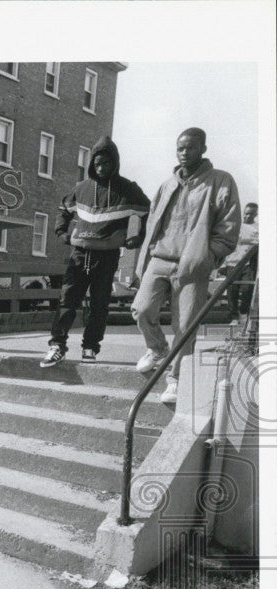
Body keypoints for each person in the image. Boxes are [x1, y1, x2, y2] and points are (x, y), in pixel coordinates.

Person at [131, 128, 241, 405]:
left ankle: (176, 378)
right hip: (160, 259)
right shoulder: (167, 184)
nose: (183, 153)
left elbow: (228, 227)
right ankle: (157, 349)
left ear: (203, 149)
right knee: (142, 309)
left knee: (186, 325)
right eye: (180, 148)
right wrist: (144, 259)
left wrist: (208, 258)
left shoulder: (220, 181)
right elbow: (152, 223)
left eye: (190, 148)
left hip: (192, 265)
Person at [41, 137, 150, 367]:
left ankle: (90, 347)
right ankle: (56, 346)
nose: (101, 168)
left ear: (115, 163)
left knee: (100, 305)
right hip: (80, 254)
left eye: (106, 164)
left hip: (108, 256)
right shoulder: (81, 188)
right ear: (92, 163)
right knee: (68, 300)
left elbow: (149, 211)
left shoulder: (128, 189)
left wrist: (139, 237)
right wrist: (62, 232)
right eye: (97, 163)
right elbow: (63, 210)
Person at [223, 202, 259, 324]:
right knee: (232, 290)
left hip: (248, 263)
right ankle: (233, 316)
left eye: (250, 214)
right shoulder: (236, 225)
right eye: (246, 213)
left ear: (255, 215)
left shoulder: (257, 228)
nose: (247, 216)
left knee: (247, 288)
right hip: (232, 262)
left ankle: (243, 312)